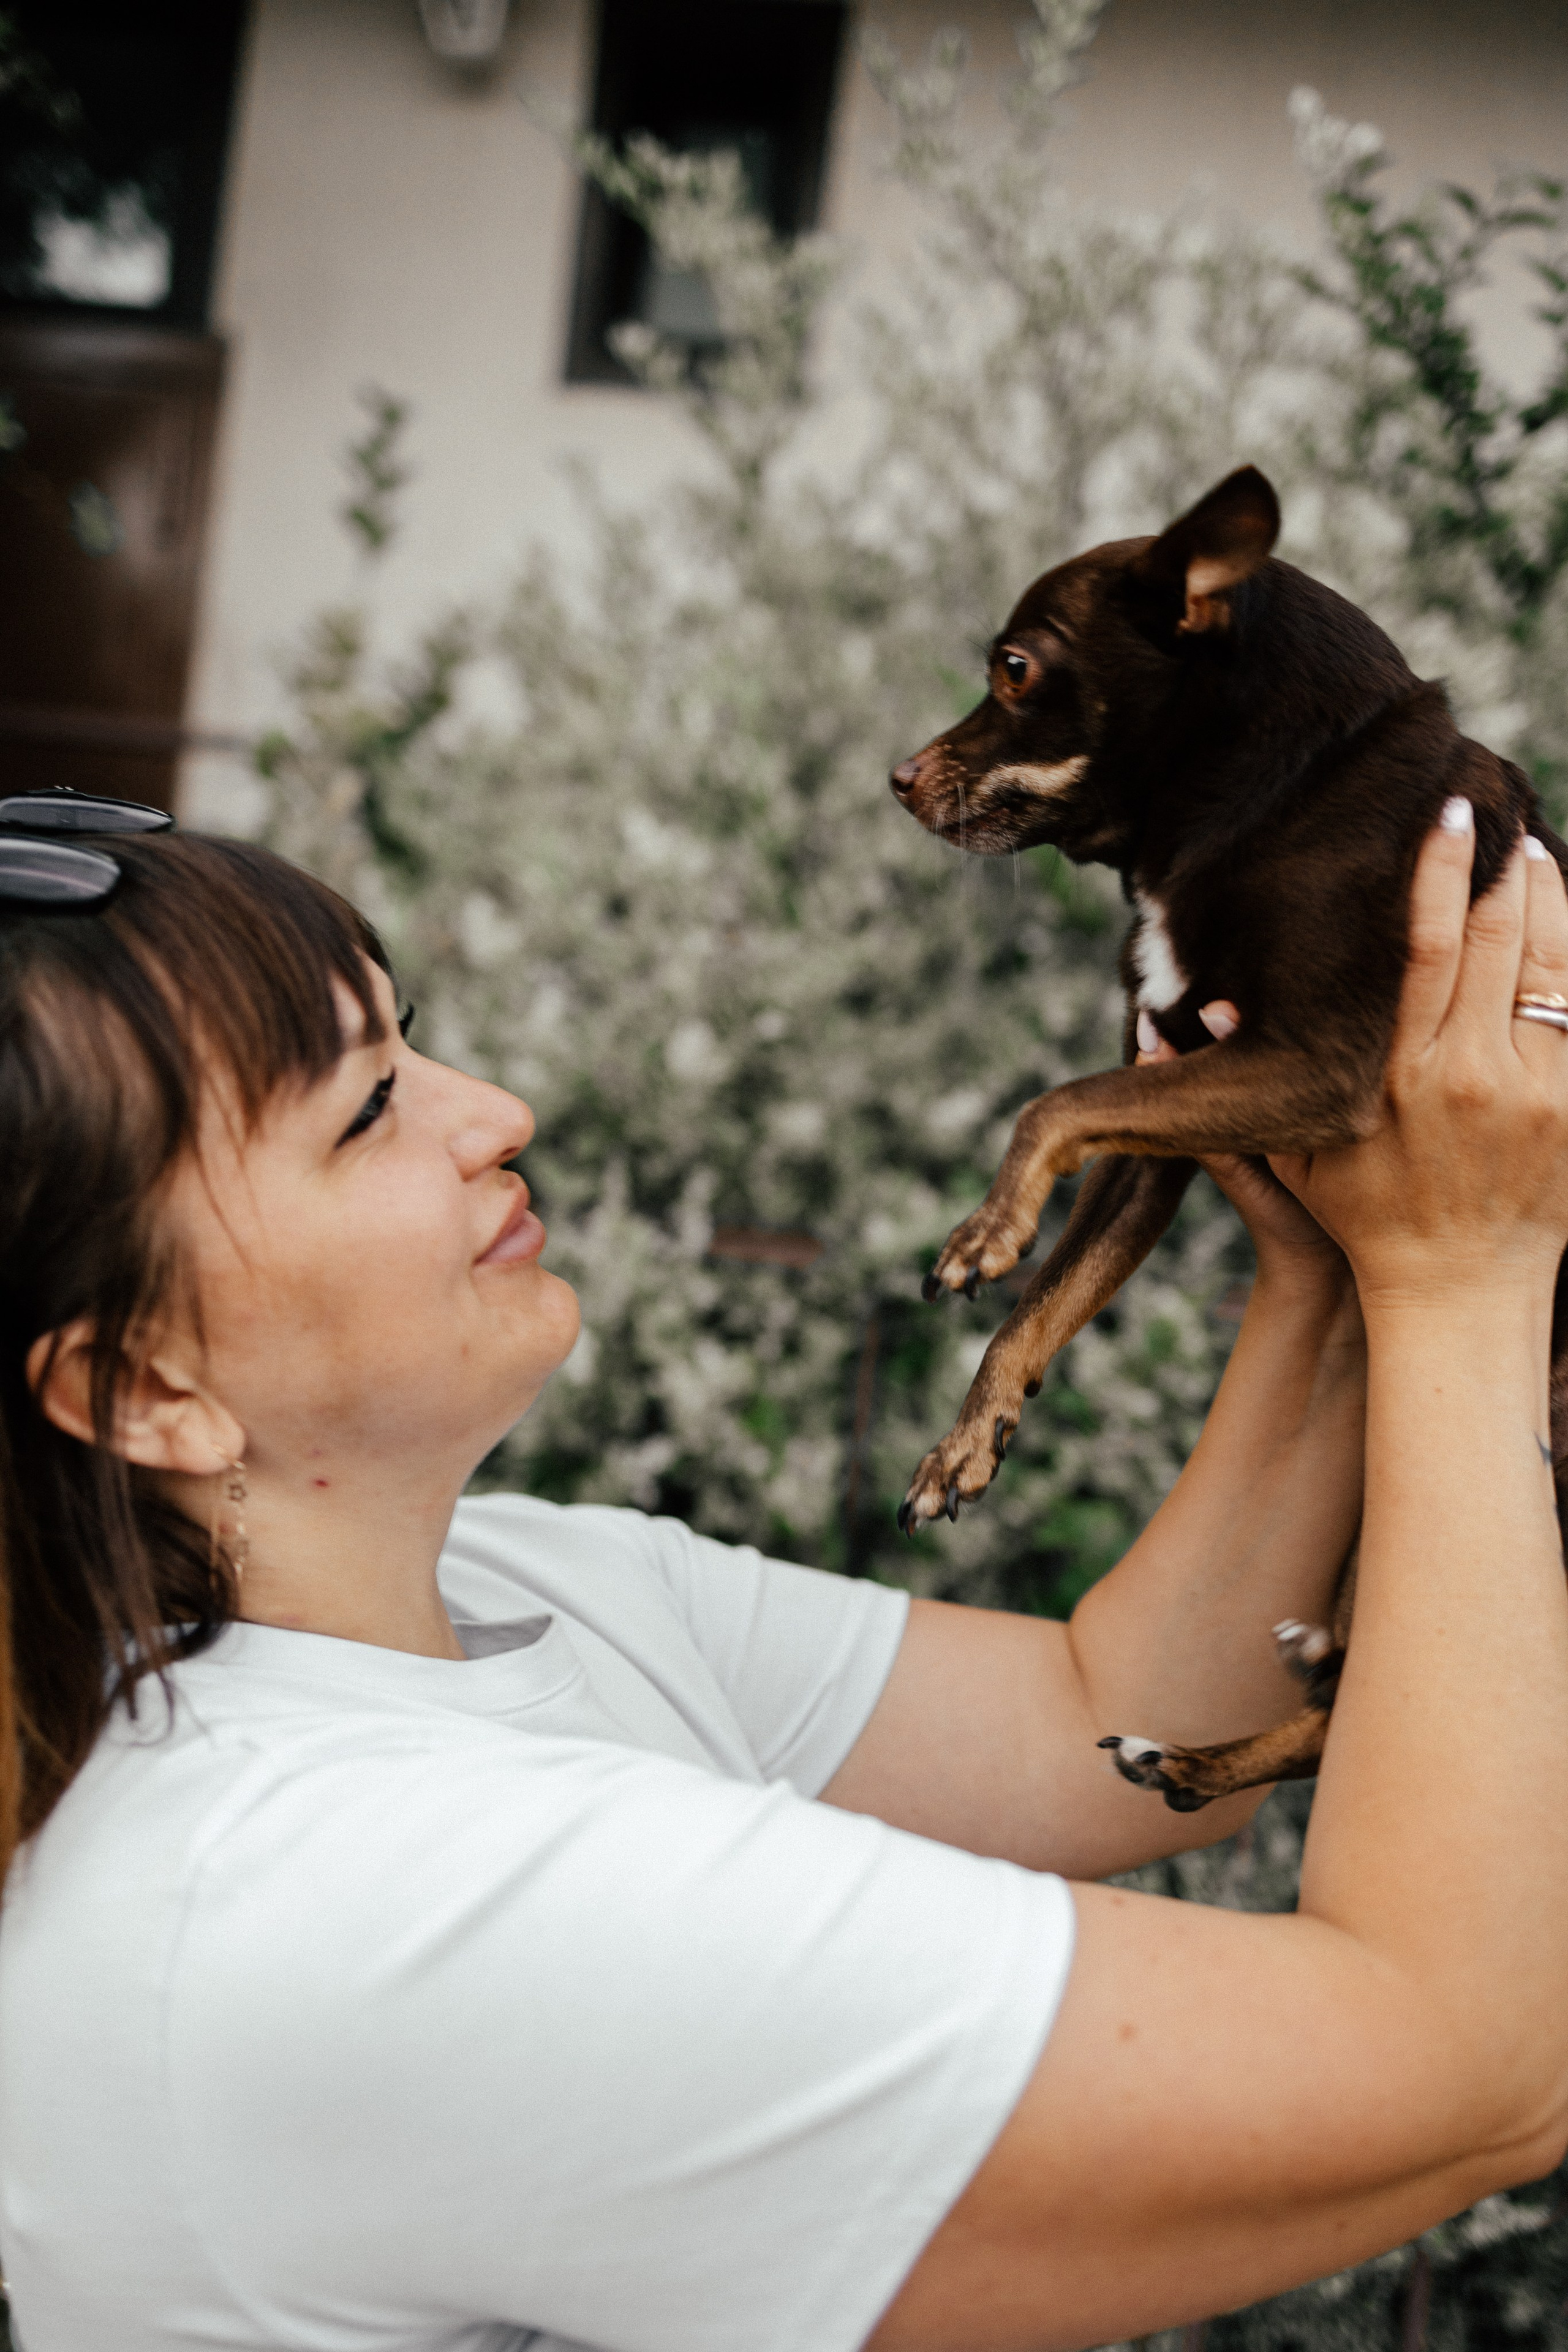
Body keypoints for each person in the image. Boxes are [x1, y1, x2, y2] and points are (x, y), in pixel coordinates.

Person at [1, 793, 1566, 2352]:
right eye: (363, 1113)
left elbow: (1115, 1723)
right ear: (144, 1389)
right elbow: (1471, 2065)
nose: (489, 1111)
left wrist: (1340, 1266)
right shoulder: (362, 1898)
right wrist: (1464, 1271)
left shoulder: (495, 1587)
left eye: (409, 1042)